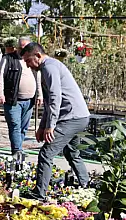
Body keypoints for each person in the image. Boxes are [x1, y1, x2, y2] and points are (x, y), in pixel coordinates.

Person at [20, 42, 91, 201]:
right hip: (79, 116)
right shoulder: (50, 66)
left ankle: (39, 193)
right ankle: (86, 186)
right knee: (71, 152)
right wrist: (42, 127)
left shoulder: (48, 67)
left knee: (46, 153)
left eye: (28, 60)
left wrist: (50, 126)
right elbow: (48, 102)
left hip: (71, 117)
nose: (27, 65)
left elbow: (55, 98)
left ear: (38, 56)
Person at [0, 36, 42, 160]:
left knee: (23, 127)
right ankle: (17, 152)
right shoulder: (8, 59)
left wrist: (40, 94)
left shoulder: (32, 60)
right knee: (15, 125)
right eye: (21, 47)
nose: (23, 50)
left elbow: (38, 77)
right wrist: (0, 93)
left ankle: (18, 150)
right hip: (13, 100)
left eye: (25, 47)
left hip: (29, 101)